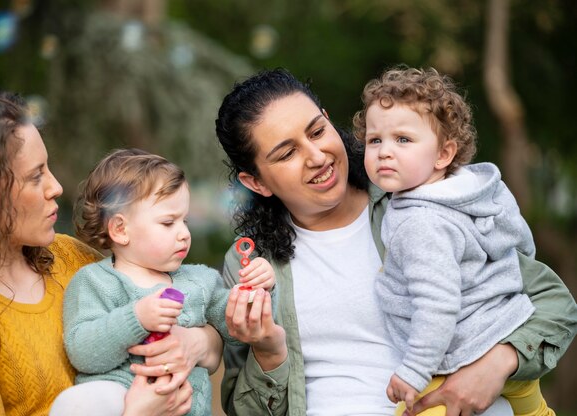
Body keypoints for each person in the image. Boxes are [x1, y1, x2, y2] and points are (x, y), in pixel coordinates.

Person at [214, 68, 577, 416]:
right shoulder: (248, 266)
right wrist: (267, 352)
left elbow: (553, 302)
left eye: (316, 131)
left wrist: (498, 364)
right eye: (287, 153)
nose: (317, 156)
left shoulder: (421, 205)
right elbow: (243, 409)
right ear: (256, 183)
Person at [0, 91, 217, 416]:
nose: (56, 187)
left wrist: (197, 343)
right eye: (36, 176)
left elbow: (203, 336)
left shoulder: (70, 258)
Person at [354, 66, 554, 415]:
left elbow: (437, 305)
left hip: (459, 355)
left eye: (403, 139)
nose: (385, 151)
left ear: (444, 154)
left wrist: (413, 371)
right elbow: (522, 246)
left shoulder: (420, 222)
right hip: (510, 334)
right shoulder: (475, 191)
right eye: (375, 140)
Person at [50, 148, 276, 416]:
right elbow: (83, 351)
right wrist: (137, 318)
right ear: (121, 229)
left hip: (188, 407)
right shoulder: (94, 282)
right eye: (168, 223)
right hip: (120, 400)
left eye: (185, 220)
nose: (184, 233)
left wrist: (256, 290)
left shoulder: (199, 281)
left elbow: (237, 328)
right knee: (77, 404)